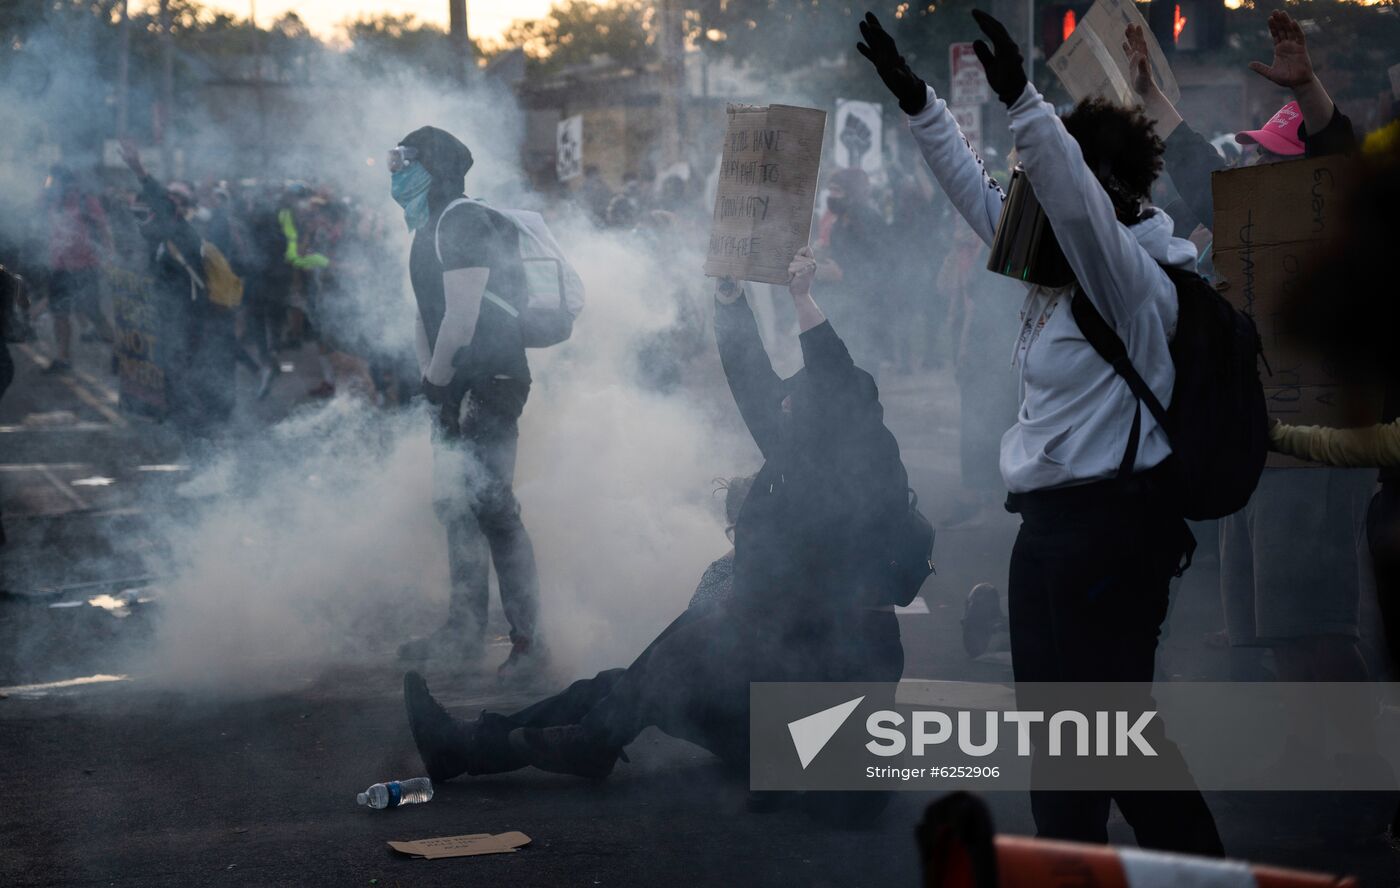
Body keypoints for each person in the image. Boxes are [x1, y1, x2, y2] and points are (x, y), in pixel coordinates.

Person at [856, 9, 1221, 854]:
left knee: (1113, 747)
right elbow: (979, 196)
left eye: (1044, 175)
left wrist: (1024, 98)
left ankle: (1202, 872)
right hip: (1051, 532)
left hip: (1113, 534)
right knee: (1065, 752)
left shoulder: (1134, 278)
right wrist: (920, 105)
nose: (1024, 188)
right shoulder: (1058, 252)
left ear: (1092, 190)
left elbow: (1069, 195)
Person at [402, 248, 909, 793]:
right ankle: (468, 747)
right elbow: (751, 377)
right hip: (773, 705)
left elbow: (830, 374)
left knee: (684, 652)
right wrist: (729, 297)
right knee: (628, 683)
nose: (781, 405)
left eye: (796, 401)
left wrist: (802, 298)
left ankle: (588, 742)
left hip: (823, 738)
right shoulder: (806, 451)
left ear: (831, 419)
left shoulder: (868, 467)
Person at [1127, 14, 1374, 698]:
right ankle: (1317, 771)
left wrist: (1311, 90)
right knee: (1274, 636)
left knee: (1317, 633)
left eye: (1270, 156)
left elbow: (1341, 165)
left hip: (1314, 457)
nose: (1255, 167)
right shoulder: (1248, 224)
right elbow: (1198, 168)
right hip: (1260, 454)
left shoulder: (1339, 226)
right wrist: (1150, 98)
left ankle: (1364, 773)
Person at [388, 126, 546, 681]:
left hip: (491, 380)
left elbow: (462, 316)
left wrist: (435, 380)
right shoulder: (427, 226)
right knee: (456, 503)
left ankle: (530, 643)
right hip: (455, 381)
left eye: (403, 160)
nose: (394, 170)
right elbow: (425, 314)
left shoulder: (462, 221)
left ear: (433, 166)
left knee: (492, 508)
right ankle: (462, 631)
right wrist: (432, 382)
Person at [44, 166, 114, 374]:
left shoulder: (86, 201)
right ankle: (63, 359)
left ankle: (121, 353)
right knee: (59, 313)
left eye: (55, 182)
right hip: (60, 267)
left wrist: (110, 256)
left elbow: (104, 228)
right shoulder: (53, 201)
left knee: (93, 312)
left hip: (85, 267)